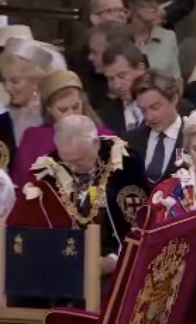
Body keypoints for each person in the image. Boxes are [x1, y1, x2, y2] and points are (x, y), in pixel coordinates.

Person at [8, 115, 149, 277]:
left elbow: (141, 225)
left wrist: (113, 260)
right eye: (67, 161)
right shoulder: (47, 173)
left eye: (79, 160)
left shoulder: (126, 164)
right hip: (66, 271)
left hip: (119, 265)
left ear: (95, 144)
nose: (73, 168)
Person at [12, 70, 112, 186]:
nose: (71, 114)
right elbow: (23, 183)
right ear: (49, 110)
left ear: (83, 102)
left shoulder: (105, 136)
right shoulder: (34, 139)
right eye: (63, 110)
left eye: (75, 107)